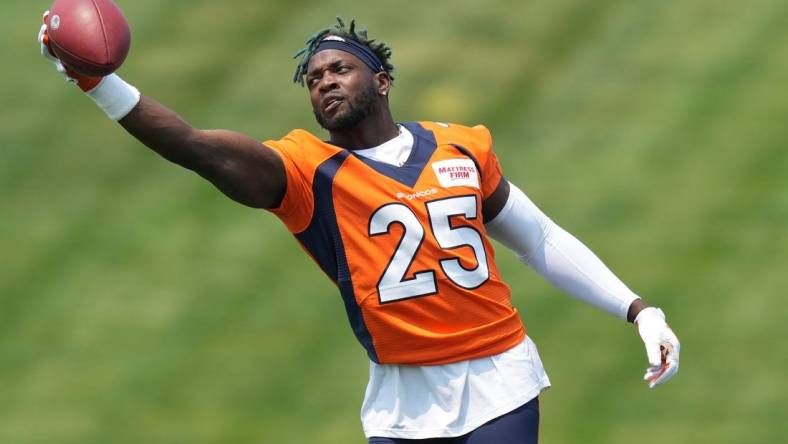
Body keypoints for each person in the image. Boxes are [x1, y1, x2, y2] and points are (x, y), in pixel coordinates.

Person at [38, 15, 680, 444]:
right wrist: (101, 83)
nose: (324, 83)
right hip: (400, 398)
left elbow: (539, 239)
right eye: (314, 80)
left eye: (338, 69)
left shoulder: (461, 147)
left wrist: (638, 310)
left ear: (381, 79)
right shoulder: (304, 173)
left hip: (497, 376)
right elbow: (194, 146)